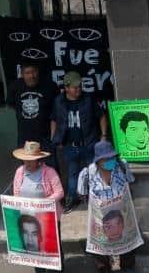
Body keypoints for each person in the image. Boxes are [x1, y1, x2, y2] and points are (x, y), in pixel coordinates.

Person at [77, 141, 139, 273]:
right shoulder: (87, 173)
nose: (111, 161)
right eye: (106, 159)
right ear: (98, 161)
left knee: (126, 243)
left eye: (112, 157)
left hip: (122, 215)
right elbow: (82, 194)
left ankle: (128, 267)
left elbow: (131, 183)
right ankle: (104, 268)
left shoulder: (121, 166)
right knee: (101, 247)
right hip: (100, 219)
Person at [50, 71, 108, 213]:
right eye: (75, 87)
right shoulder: (59, 101)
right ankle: (72, 199)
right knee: (72, 175)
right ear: (67, 88)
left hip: (88, 143)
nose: (78, 89)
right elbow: (54, 119)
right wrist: (55, 138)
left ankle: (94, 199)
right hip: (70, 146)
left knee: (93, 173)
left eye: (80, 86)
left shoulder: (88, 99)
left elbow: (102, 116)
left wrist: (104, 135)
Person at [12, 141, 64, 271]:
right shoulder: (20, 172)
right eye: (26, 160)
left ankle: (57, 269)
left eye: (31, 160)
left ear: (39, 160)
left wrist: (43, 204)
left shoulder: (49, 172)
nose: (28, 163)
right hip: (29, 217)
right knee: (36, 248)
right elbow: (16, 193)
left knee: (52, 246)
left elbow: (60, 192)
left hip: (49, 217)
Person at [7, 60, 59, 167]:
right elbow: (11, 105)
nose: (32, 76)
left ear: (38, 72)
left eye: (34, 72)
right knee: (29, 169)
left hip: (46, 137)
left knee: (51, 169)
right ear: (22, 74)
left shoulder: (50, 86)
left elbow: (57, 110)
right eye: (27, 73)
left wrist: (54, 136)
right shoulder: (15, 87)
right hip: (25, 138)